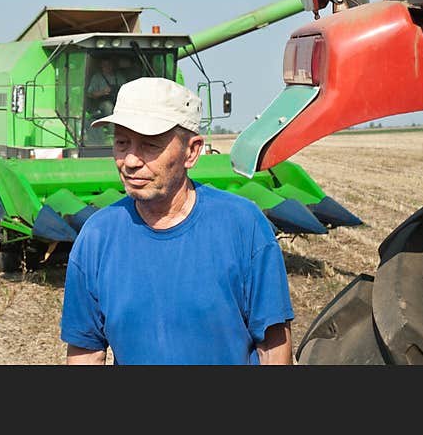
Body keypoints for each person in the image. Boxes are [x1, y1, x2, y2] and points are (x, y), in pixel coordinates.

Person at [60, 77, 294, 365]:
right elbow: (86, 352)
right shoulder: (97, 236)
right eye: (122, 143)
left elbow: (273, 346)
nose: (130, 161)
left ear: (192, 151)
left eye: (149, 145)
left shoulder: (242, 225)